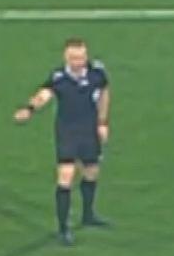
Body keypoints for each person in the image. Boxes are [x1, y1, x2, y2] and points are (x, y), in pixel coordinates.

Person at [14, 37, 111, 245]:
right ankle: (63, 228)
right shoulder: (59, 78)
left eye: (81, 57)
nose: (79, 62)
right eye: (74, 58)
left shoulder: (97, 73)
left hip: (89, 130)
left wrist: (102, 122)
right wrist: (29, 109)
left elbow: (104, 93)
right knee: (66, 175)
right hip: (67, 132)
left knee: (91, 172)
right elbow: (44, 94)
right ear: (66, 58)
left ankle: (88, 214)